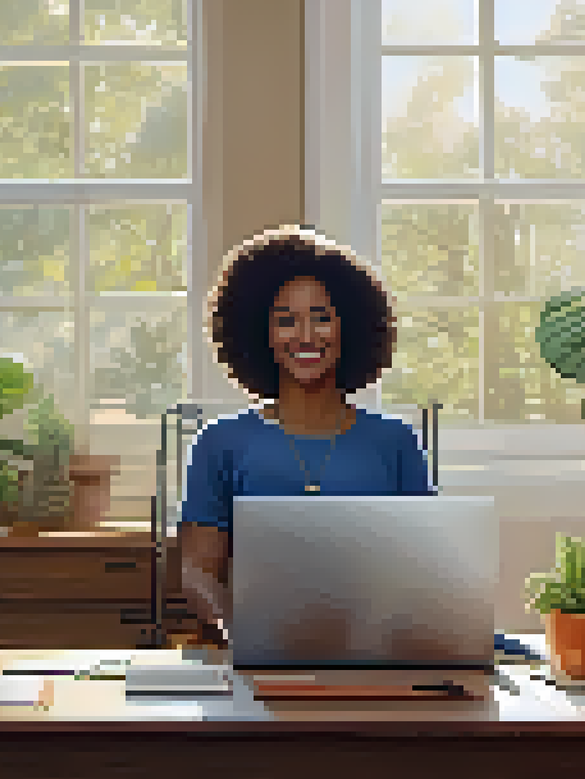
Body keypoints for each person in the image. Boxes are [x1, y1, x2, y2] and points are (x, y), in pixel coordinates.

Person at [176, 225, 434, 646]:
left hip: (374, 653)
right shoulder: (220, 442)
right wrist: (235, 630)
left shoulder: (395, 442)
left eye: (321, 318)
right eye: (286, 321)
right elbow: (198, 572)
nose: (306, 337)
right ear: (262, 334)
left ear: (347, 327)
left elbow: (422, 569)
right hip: (256, 654)